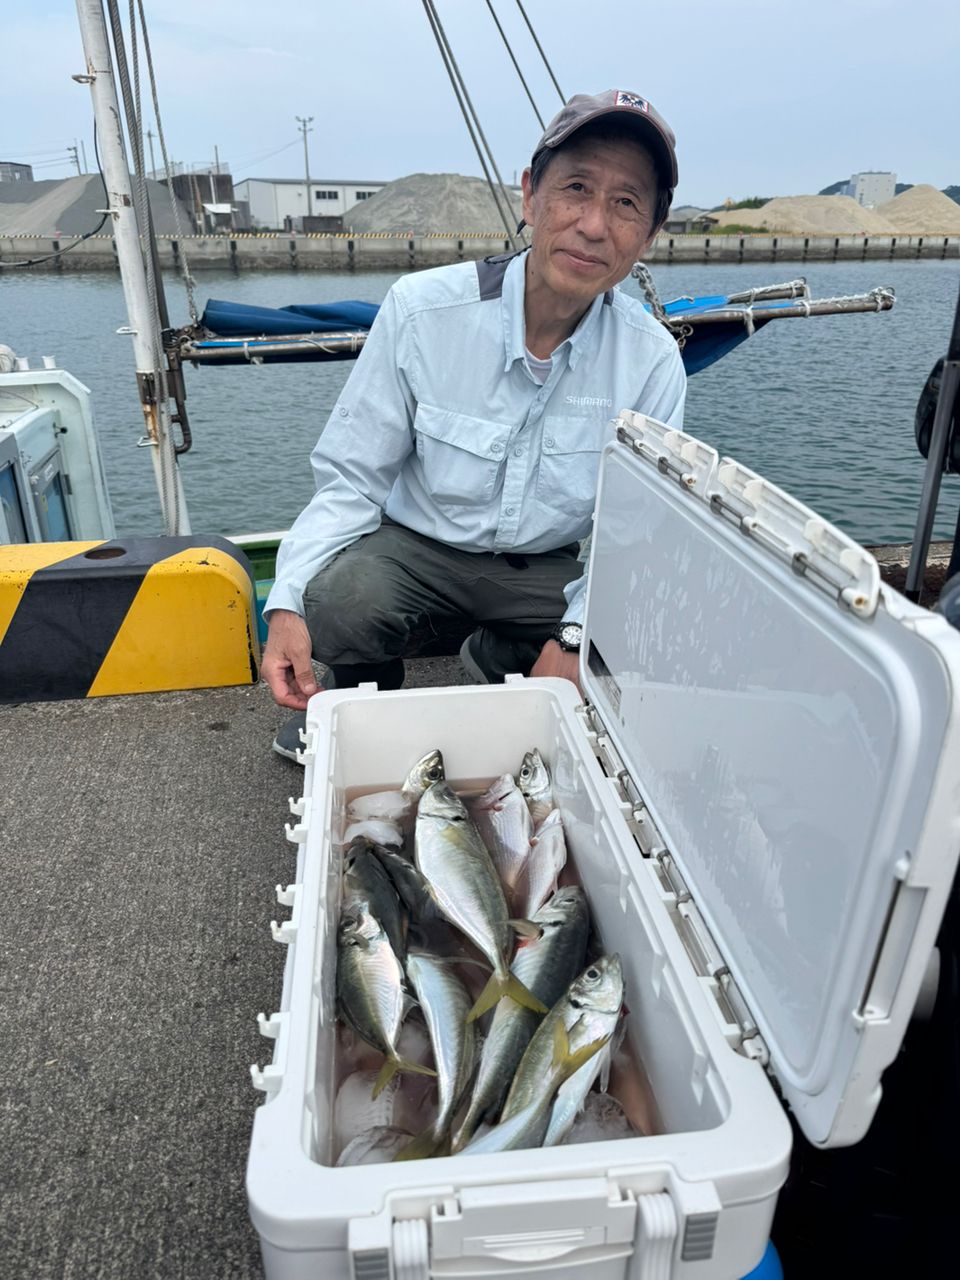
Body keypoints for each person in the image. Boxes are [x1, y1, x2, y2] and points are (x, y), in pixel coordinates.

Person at [262, 89, 687, 759]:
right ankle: (356, 698)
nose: (595, 225)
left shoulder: (654, 361)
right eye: (576, 188)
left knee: (643, 649)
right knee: (340, 598)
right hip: (416, 550)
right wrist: (285, 602)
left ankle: (496, 657)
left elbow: (634, 537)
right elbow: (350, 477)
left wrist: (577, 642)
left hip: (538, 566)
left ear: (650, 234)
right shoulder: (420, 310)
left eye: (627, 203)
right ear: (530, 195)